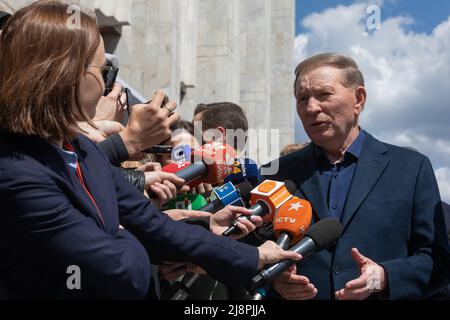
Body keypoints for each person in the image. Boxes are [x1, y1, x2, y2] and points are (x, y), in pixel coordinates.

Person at [0, 1, 300, 299]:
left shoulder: (81, 150)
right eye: (105, 70)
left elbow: (152, 224)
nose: (109, 85)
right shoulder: (16, 172)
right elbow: (121, 272)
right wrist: (123, 233)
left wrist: (252, 256)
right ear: (65, 73)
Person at [260, 52, 450, 300]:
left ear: (359, 99)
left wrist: (384, 276)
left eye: (324, 95)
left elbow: (437, 260)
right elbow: (249, 254)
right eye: (302, 98)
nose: (311, 108)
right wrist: (275, 281)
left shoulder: (411, 169)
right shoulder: (275, 174)